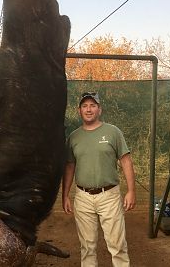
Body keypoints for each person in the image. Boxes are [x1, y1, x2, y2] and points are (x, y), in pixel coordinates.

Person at [62, 92, 136, 267]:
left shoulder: (113, 132)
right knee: (87, 248)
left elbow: (126, 161)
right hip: (83, 197)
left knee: (117, 246)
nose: (89, 109)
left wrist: (131, 191)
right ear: (79, 110)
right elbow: (69, 167)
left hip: (109, 196)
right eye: (85, 106)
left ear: (99, 109)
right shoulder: (73, 137)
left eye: (93, 105)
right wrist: (65, 195)